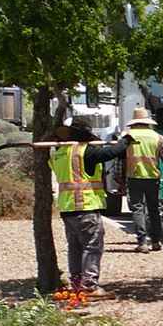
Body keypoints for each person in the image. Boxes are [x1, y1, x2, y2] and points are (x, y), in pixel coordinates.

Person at [50, 120, 127, 293]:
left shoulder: (59, 154)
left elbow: (77, 173)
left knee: (75, 247)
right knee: (92, 246)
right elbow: (110, 153)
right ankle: (89, 286)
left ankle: (77, 283)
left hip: (67, 208)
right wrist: (125, 142)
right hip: (86, 207)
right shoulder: (86, 151)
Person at [120, 107, 163, 253]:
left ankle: (142, 242)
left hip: (133, 177)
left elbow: (119, 160)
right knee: (153, 209)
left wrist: (119, 179)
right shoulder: (157, 137)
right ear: (148, 122)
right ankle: (156, 241)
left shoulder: (126, 136)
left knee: (137, 208)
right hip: (152, 178)